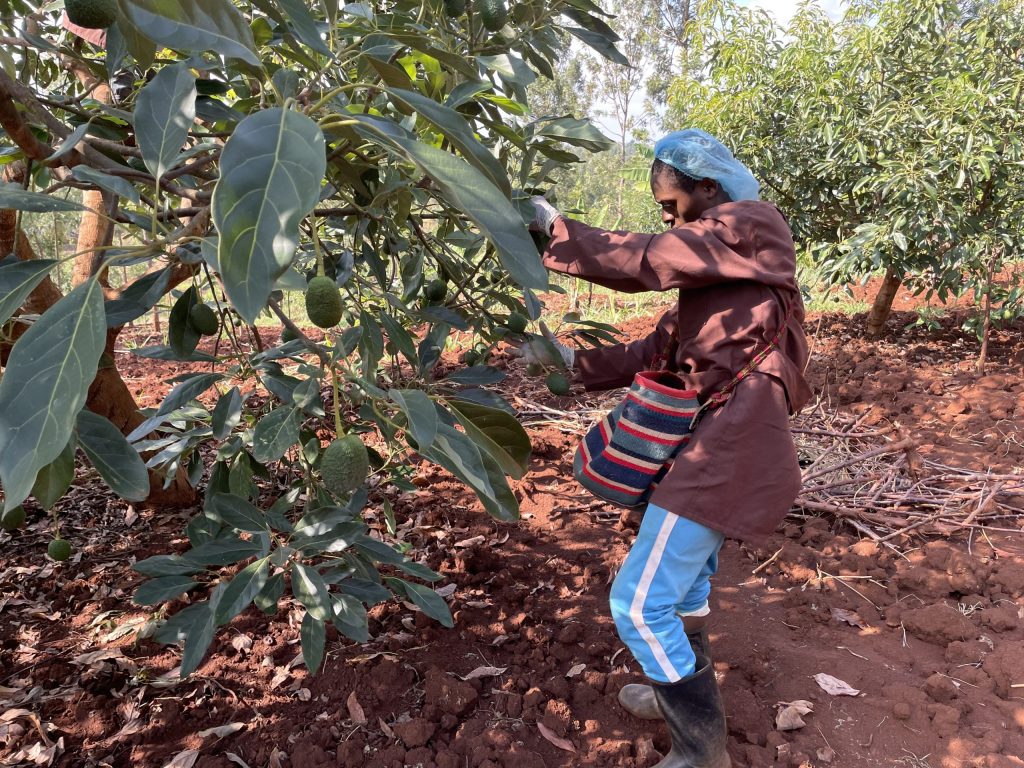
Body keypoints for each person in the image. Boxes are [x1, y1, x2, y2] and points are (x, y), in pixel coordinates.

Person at [516, 129, 811, 768]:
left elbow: (653, 258)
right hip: (716, 442)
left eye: (674, 206)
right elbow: (657, 348)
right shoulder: (718, 278)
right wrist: (571, 365)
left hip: (731, 447)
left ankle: (700, 752)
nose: (671, 221)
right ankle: (674, 692)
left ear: (709, 189)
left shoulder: (752, 226)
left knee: (638, 603)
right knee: (683, 593)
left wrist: (557, 232)